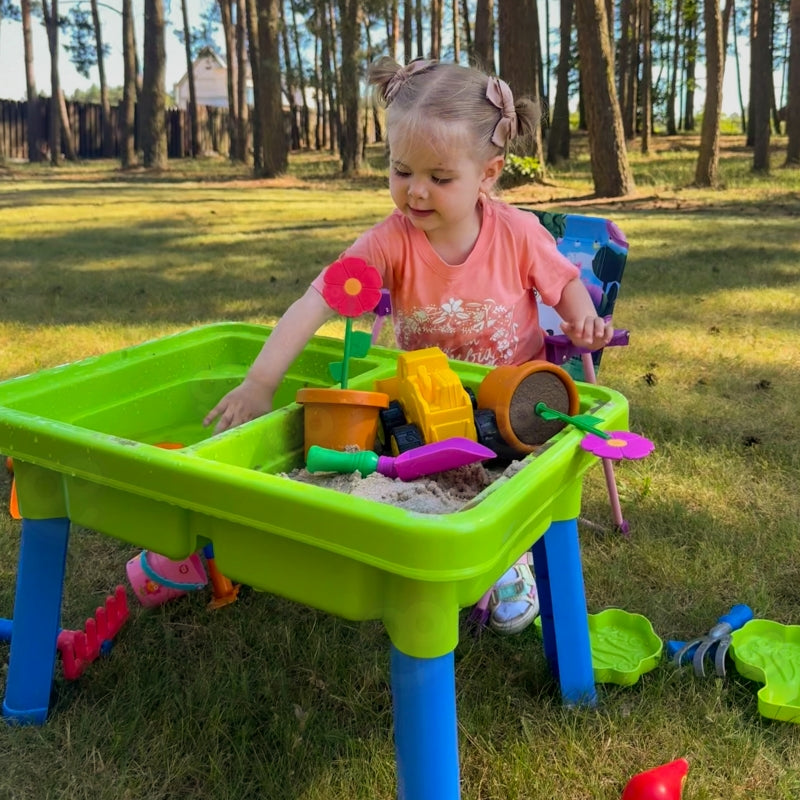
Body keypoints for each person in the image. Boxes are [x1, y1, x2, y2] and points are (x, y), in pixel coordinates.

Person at [204, 56, 613, 634]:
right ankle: (416, 539)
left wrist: (583, 321)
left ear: (488, 174)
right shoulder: (388, 241)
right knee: (403, 470)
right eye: (401, 171)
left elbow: (566, 284)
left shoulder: (518, 233)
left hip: (515, 405)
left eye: (439, 179)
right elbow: (313, 302)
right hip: (424, 403)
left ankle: (506, 554)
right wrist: (260, 381)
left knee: (511, 480)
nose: (415, 192)